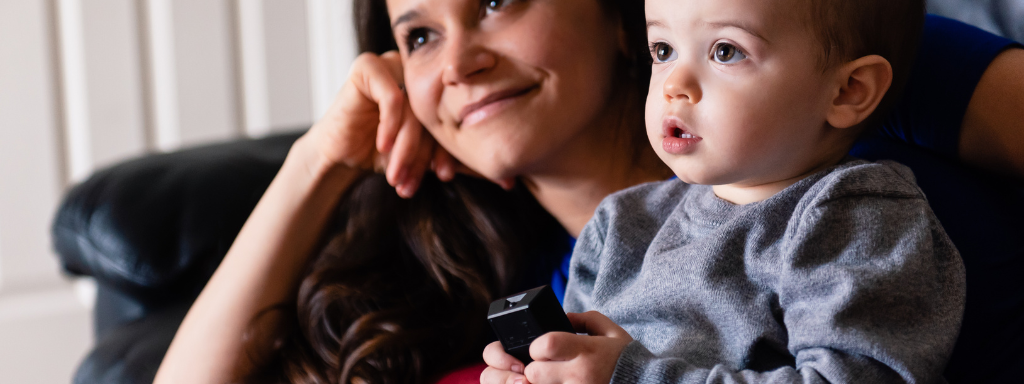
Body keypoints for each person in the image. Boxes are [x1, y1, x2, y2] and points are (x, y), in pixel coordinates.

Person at [152, 0, 1024, 382]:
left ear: (613, 13)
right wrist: (323, 157)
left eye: (496, 0)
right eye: (417, 36)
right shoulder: (586, 270)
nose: (457, 63)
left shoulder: (816, 52)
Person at [481, 0, 965, 382]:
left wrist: (627, 376)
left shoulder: (853, 212)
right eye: (663, 50)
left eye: (725, 51)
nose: (675, 85)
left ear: (848, 91)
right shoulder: (620, 223)